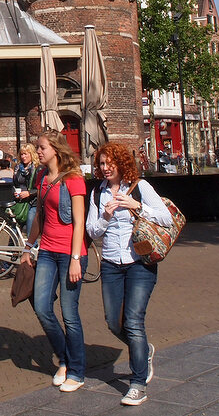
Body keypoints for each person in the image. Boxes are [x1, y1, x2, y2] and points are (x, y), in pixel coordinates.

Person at [86, 142, 174, 406]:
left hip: (139, 263)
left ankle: (137, 383)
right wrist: (105, 217)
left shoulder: (140, 186)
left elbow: (167, 218)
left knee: (134, 321)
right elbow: (92, 231)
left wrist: (137, 206)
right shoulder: (97, 193)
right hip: (112, 264)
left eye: (109, 163)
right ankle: (144, 350)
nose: (104, 168)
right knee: (114, 322)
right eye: (101, 164)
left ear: (121, 162)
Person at [21, 130, 87, 393]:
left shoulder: (73, 179)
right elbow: (39, 216)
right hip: (47, 250)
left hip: (70, 253)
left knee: (70, 315)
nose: (38, 152)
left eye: (42, 148)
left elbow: (79, 221)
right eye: (37, 148)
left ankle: (77, 371)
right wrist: (28, 247)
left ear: (56, 150)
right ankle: (64, 359)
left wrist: (74, 259)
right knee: (41, 306)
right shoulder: (42, 178)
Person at [12, 143, 40, 235]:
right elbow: (14, 184)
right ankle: (11, 249)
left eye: (26, 154)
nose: (23, 156)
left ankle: (32, 248)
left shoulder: (37, 168)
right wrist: (15, 193)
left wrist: (29, 193)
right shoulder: (18, 168)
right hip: (20, 202)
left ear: (32, 154)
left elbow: (40, 187)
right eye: (22, 154)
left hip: (33, 202)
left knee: (30, 231)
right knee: (14, 229)